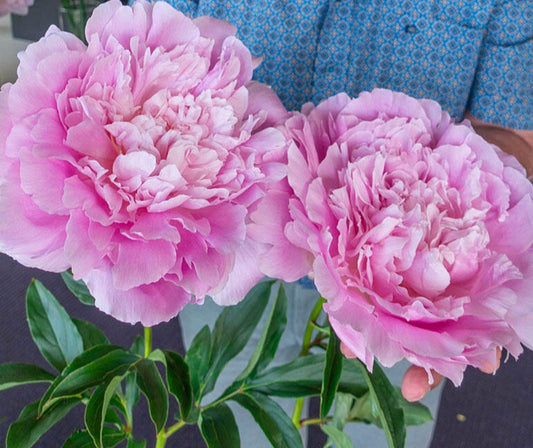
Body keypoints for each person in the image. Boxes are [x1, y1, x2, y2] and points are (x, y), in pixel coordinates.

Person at [156, 0, 532, 445]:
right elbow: (158, 44)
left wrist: (486, 247)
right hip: (229, 253)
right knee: (229, 418)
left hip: (400, 311)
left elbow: (511, 134)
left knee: (373, 434)